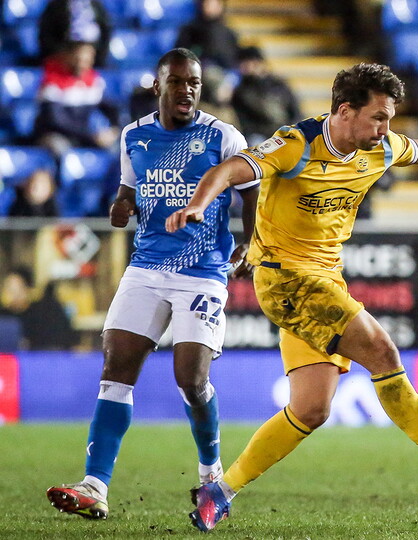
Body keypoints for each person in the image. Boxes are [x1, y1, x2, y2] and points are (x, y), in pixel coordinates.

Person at [165, 62, 418, 532]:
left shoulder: (379, 148)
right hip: (284, 279)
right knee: (382, 350)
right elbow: (232, 167)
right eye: (379, 117)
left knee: (311, 409)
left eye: (389, 119)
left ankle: (219, 491)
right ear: (345, 111)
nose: (387, 129)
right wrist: (198, 205)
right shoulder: (295, 145)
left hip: (325, 279)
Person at [45, 48, 259, 521]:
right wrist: (120, 207)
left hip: (201, 270)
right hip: (145, 268)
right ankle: (95, 485)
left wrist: (251, 245)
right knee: (115, 369)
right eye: (178, 82)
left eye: (195, 84)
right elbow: (127, 192)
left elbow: (251, 190)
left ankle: (211, 476)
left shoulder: (222, 136)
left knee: (191, 378)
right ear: (158, 85)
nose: (187, 91)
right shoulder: (134, 136)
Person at [34, 40, 120, 158]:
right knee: (59, 149)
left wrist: (113, 130)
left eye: (87, 59)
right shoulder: (52, 82)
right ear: (68, 56)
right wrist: (92, 136)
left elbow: (111, 109)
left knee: (116, 150)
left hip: (83, 136)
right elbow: (57, 120)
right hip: (58, 135)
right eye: (78, 58)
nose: (82, 64)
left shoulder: (93, 82)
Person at [231, 46, 303, 146]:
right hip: (260, 136)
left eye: (245, 62)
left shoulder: (279, 84)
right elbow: (245, 124)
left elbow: (295, 112)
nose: (241, 67)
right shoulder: (241, 91)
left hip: (285, 132)